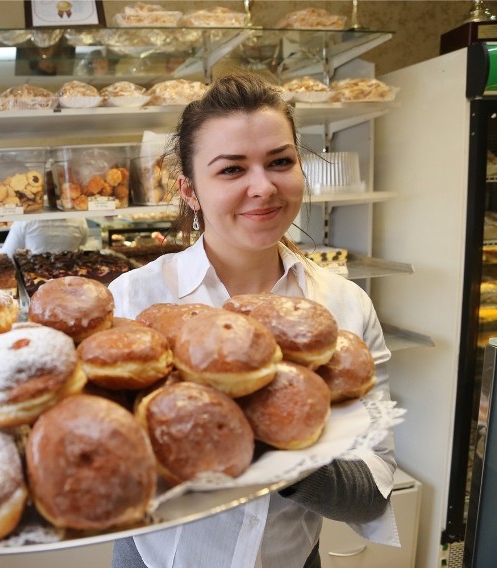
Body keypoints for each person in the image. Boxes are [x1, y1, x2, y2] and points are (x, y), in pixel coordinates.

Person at [108, 72, 397, 568]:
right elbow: (104, 476)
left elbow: (371, 491)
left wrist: (280, 452)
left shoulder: (344, 309)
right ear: (190, 191)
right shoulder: (134, 304)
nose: (263, 187)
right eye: (231, 170)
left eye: (280, 162)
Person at [0, 217, 89, 257]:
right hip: (74, 278)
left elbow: (5, 256)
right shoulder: (79, 219)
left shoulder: (26, 220)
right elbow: (83, 243)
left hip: (36, 281)